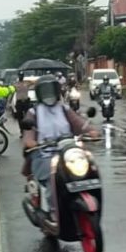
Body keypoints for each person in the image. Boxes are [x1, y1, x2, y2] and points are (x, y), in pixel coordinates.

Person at [22, 75, 98, 216]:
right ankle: (52, 211)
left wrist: (90, 130)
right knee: (53, 180)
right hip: (45, 154)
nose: (48, 94)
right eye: (45, 91)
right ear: (39, 94)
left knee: (90, 168)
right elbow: (28, 133)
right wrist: (30, 141)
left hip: (68, 152)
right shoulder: (34, 112)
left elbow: (78, 122)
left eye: (51, 91)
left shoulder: (64, 109)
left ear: (57, 92)